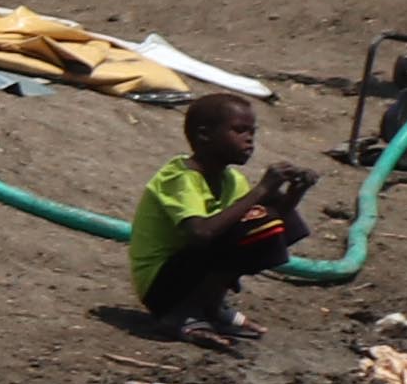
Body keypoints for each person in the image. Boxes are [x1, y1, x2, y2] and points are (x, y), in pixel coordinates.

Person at [127, 90, 307, 351]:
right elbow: (200, 233)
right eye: (239, 131)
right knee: (258, 221)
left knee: (273, 219)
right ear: (204, 135)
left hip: (189, 273)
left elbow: (268, 223)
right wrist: (261, 189)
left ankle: (209, 306)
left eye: (252, 132)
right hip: (162, 287)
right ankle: (180, 313)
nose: (249, 140)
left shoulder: (230, 179)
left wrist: (294, 192)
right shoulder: (180, 177)